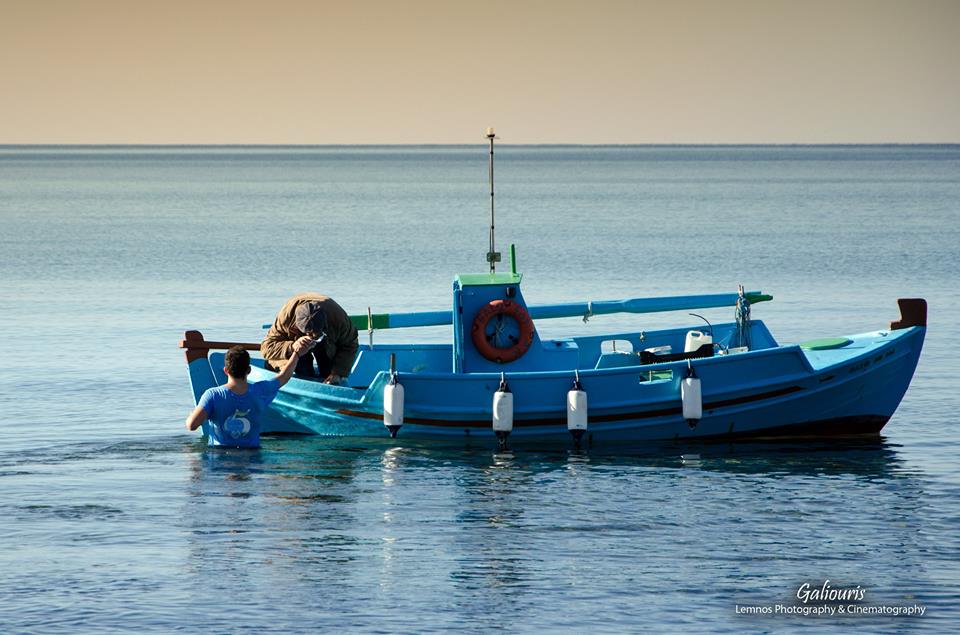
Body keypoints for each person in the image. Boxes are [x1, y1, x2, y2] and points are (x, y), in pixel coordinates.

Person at [185, 340, 312, 448]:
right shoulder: (261, 391)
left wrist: (192, 415)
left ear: (225, 370)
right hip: (252, 456)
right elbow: (284, 376)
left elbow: (192, 425)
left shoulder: (213, 395)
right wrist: (296, 353)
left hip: (221, 458)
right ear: (249, 370)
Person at [261, 293, 359, 385]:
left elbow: (350, 345)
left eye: (316, 333)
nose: (312, 337)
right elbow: (266, 348)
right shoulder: (286, 317)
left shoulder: (338, 318)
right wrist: (292, 346)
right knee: (301, 369)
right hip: (293, 345)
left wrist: (337, 373)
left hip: (327, 339)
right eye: (309, 333)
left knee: (328, 371)